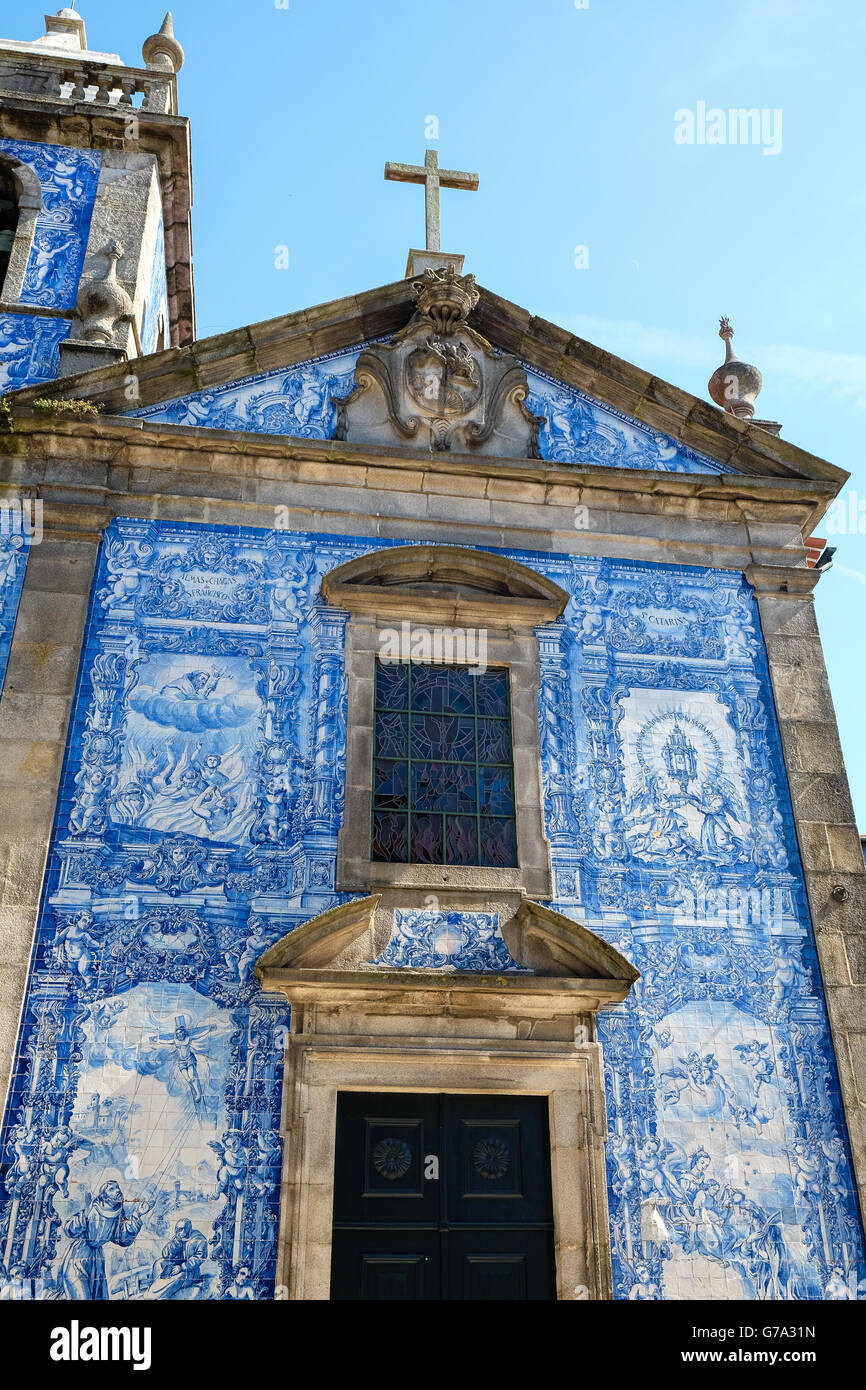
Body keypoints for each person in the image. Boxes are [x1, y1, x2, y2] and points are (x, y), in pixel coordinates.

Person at [57, 1180, 151, 1300]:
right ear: (104, 1195)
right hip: (78, 1257)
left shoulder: (117, 1213)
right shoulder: (92, 1208)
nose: (117, 1191)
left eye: (117, 1188)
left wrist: (138, 1214)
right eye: (111, 1189)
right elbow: (69, 1229)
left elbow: (121, 1238)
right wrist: (85, 1215)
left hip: (97, 1262)